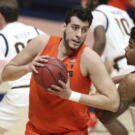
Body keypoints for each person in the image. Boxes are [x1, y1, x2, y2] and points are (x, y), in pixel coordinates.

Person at [1, 6, 120, 135]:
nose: (79, 35)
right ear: (64, 27)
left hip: (72, 132)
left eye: (84, 30)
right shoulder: (41, 43)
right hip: (35, 131)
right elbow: (6, 74)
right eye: (74, 28)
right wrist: (27, 68)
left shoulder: (90, 58)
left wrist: (70, 95)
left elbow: (113, 103)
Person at [81, 0, 135, 134]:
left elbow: (101, 41)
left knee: (102, 111)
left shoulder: (97, 13)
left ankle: (88, 121)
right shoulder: (122, 13)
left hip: (124, 66)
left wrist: (88, 65)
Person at [0, 0, 45, 134]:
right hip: (44, 93)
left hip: (20, 94)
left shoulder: (2, 37)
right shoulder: (37, 31)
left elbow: (2, 74)